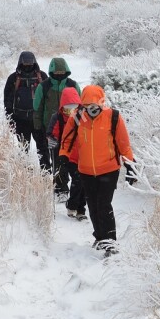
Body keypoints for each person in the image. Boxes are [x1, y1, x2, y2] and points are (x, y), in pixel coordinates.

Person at [59, 85, 135, 257]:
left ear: (102, 103)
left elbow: (123, 144)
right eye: (87, 106)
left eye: (95, 106)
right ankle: (100, 237)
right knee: (93, 205)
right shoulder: (77, 117)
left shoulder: (113, 117)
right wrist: (63, 156)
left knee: (104, 204)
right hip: (86, 170)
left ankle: (110, 242)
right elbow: (67, 139)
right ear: (82, 105)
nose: (92, 110)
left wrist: (130, 164)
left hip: (109, 169)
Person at [33, 57, 81, 193]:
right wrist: (37, 127)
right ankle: (60, 187)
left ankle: (73, 187)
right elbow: (37, 108)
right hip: (51, 129)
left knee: (71, 159)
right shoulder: (44, 86)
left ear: (66, 71)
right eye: (57, 72)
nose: (59, 75)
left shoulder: (73, 85)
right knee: (56, 158)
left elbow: (81, 105)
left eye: (62, 72)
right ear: (51, 71)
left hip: (72, 129)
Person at [47, 87, 87, 221]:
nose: (70, 111)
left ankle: (79, 208)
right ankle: (62, 191)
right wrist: (52, 140)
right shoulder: (57, 117)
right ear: (62, 107)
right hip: (63, 153)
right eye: (67, 108)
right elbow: (51, 132)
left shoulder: (83, 117)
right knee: (66, 176)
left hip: (80, 155)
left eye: (74, 107)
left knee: (80, 181)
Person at [4, 51, 48, 168]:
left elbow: (48, 98)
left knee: (43, 149)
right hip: (21, 120)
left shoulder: (42, 77)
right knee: (24, 149)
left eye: (29, 63)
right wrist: (10, 119)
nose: (27, 65)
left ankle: (46, 174)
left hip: (38, 120)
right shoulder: (13, 78)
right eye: (25, 63)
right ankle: (25, 175)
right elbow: (7, 100)